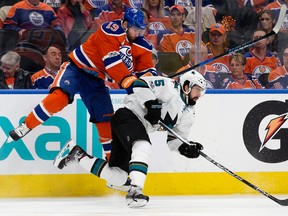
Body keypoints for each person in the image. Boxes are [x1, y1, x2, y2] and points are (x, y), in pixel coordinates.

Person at [6, 8, 155, 161]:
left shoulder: (143, 46)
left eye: (141, 30)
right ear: (125, 24)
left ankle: (113, 161)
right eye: (135, 29)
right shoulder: (110, 30)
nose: (138, 33)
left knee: (104, 119)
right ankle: (26, 126)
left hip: (96, 79)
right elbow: (113, 64)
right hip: (77, 67)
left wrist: (150, 92)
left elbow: (147, 71)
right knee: (59, 97)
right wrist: (132, 85)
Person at [53, 70, 206, 208]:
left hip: (135, 127)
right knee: (143, 146)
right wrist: (151, 103)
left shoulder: (189, 114)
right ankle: (135, 192)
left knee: (118, 177)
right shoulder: (169, 86)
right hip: (127, 117)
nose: (199, 95)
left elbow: (175, 140)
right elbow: (139, 83)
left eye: (202, 92)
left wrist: (186, 148)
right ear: (186, 86)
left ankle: (77, 154)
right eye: (197, 90)